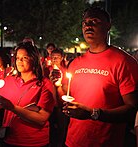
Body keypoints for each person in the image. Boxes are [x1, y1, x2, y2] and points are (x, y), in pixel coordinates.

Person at [52, 7, 138, 147]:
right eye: (85, 23)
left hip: (106, 142)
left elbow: (132, 109)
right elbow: (66, 101)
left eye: (94, 21)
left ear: (108, 26)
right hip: (73, 141)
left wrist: (93, 113)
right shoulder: (75, 63)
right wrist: (57, 86)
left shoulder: (124, 62)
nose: (88, 26)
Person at [0, 42, 55, 147]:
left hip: (34, 141)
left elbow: (41, 119)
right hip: (10, 139)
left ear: (33, 59)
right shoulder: (9, 80)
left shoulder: (44, 84)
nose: (20, 61)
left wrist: (13, 108)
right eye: (18, 58)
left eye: (25, 58)